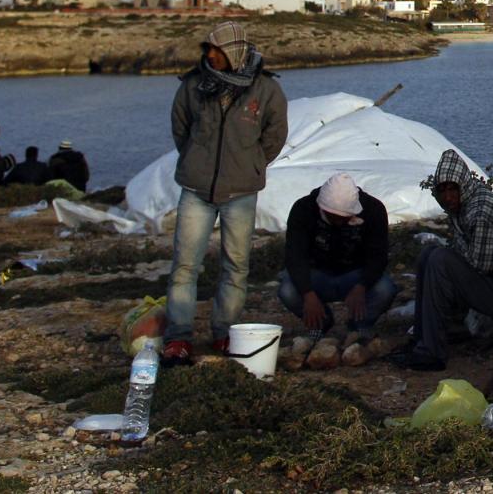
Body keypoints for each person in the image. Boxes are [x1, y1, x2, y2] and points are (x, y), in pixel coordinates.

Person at [161, 21, 288, 366]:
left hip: (241, 192)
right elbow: (181, 128)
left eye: (217, 50)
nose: (210, 55)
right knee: (185, 266)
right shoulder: (192, 85)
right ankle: (178, 337)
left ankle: (224, 331)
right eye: (208, 49)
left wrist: (251, 165)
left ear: (234, 51)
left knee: (236, 266)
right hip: (196, 190)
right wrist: (196, 159)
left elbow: (275, 135)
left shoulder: (266, 90)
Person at [389, 149, 493, 371]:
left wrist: (450, 265)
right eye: (442, 190)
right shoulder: (462, 207)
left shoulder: (480, 210)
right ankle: (422, 339)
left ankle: (432, 353)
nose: (447, 196)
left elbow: (480, 265)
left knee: (439, 259)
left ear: (463, 186)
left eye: (453, 189)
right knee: (428, 254)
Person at [279, 173, 396, 364]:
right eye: (334, 217)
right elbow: (295, 256)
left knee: (385, 289)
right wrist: (307, 293)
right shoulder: (303, 209)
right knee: (288, 290)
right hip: (316, 274)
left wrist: (362, 286)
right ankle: (320, 322)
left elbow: (378, 256)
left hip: (355, 274)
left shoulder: (373, 209)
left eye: (344, 218)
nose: (339, 222)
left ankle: (359, 326)